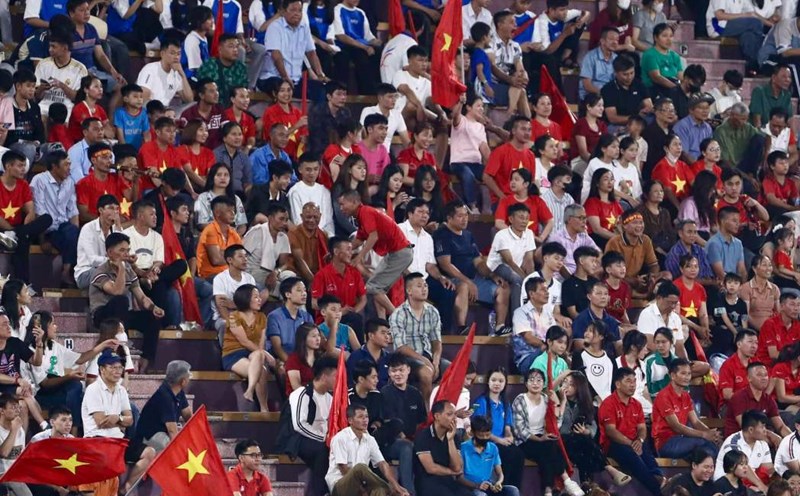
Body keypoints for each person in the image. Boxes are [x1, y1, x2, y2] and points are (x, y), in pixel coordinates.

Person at [89, 232, 165, 373]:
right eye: (121, 250)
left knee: (152, 318)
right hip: (102, 316)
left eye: (127, 250)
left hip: (122, 316)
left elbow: (141, 297)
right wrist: (122, 269)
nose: (126, 254)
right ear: (110, 253)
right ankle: (124, 345)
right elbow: (117, 291)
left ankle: (147, 361)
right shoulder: (100, 271)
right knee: (121, 300)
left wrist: (153, 307)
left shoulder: (129, 271)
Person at [511, 368, 584, 496]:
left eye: (539, 380)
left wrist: (560, 402)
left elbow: (557, 424)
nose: (535, 383)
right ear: (526, 384)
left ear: (543, 384)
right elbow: (519, 430)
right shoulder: (520, 400)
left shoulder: (546, 399)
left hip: (543, 438)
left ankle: (548, 491)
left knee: (548, 450)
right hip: (525, 440)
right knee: (549, 447)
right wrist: (540, 439)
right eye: (531, 380)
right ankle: (566, 480)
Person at [339, 189, 413, 316]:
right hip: (395, 253)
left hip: (400, 252)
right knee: (375, 288)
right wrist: (339, 252)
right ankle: (383, 322)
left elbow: (373, 237)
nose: (341, 208)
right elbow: (358, 240)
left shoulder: (366, 212)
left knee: (373, 287)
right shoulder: (361, 216)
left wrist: (359, 257)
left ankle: (398, 317)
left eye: (343, 204)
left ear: (354, 202)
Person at [81, 349, 142, 495]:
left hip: (117, 440)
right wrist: (120, 420)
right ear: (102, 369)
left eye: (120, 367)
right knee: (110, 457)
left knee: (149, 452)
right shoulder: (93, 389)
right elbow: (101, 421)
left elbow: (130, 419)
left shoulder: (121, 390)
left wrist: (118, 419)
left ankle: (125, 487)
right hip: (97, 440)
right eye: (113, 367)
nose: (118, 371)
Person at [599, 367, 664, 495]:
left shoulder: (636, 404)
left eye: (634, 381)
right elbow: (611, 431)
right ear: (617, 384)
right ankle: (659, 488)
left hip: (633, 441)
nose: (633, 385)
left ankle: (660, 478)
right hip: (613, 444)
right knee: (632, 456)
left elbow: (641, 427)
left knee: (646, 449)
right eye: (628, 381)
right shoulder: (608, 403)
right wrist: (631, 444)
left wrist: (639, 440)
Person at [326, 404, 408, 496]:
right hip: (339, 485)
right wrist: (363, 490)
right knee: (360, 468)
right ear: (350, 421)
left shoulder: (370, 439)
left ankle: (392, 489)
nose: (365, 420)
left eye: (366, 416)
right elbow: (343, 469)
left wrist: (395, 484)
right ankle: (390, 490)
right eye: (360, 417)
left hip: (363, 483)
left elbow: (382, 463)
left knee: (379, 489)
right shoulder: (340, 438)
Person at [287, 354, 338, 496]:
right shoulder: (302, 394)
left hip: (323, 438)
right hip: (299, 439)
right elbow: (299, 425)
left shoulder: (330, 398)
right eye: (335, 376)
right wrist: (323, 437)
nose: (338, 380)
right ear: (324, 376)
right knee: (323, 451)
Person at [652, 358, 721, 459]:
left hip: (683, 440)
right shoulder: (664, 396)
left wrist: (711, 434)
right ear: (672, 376)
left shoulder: (686, 396)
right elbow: (676, 426)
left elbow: (696, 422)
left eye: (689, 374)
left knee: (708, 451)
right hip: (666, 443)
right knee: (702, 443)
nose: (687, 377)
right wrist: (704, 435)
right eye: (683, 373)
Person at [0, 151, 52, 282]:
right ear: (8, 166)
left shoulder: (23, 185)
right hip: (2, 229)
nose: (24, 169)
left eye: (24, 166)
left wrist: (18, 232)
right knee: (23, 242)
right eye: (20, 166)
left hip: (18, 229)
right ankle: (24, 284)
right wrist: (10, 231)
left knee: (46, 219)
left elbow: (30, 211)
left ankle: (17, 236)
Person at [30, 151, 79, 287]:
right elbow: (37, 210)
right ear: (54, 166)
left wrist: (78, 233)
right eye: (66, 165)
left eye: (70, 164)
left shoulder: (69, 182)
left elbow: (73, 211)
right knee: (70, 235)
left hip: (64, 228)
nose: (69, 168)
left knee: (74, 233)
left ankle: (67, 270)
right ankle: (66, 272)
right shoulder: (39, 180)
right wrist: (42, 240)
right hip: (46, 229)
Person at [223, 285, 275, 411]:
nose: (259, 300)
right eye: (255, 297)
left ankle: (250, 392)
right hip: (234, 354)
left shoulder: (262, 317)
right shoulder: (234, 316)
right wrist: (266, 354)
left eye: (259, 297)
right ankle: (263, 407)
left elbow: (261, 344)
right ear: (246, 299)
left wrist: (262, 353)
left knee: (259, 356)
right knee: (261, 370)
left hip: (254, 353)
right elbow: (244, 341)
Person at [129, 359, 192, 461]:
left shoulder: (178, 391)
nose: (190, 379)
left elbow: (188, 416)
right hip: (148, 437)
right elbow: (172, 431)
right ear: (183, 381)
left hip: (163, 432)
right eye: (189, 376)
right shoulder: (165, 396)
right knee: (171, 446)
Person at [413, 400, 473, 496]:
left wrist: (450, 440)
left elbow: (457, 467)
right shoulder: (423, 435)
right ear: (437, 416)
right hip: (428, 481)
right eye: (449, 414)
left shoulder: (455, 436)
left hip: (447, 480)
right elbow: (431, 468)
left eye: (454, 414)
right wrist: (452, 472)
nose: (454, 418)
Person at [725, 362, 790, 442]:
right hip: (739, 442)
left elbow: (780, 426)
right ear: (749, 378)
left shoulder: (768, 399)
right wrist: (770, 435)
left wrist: (793, 441)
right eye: (759, 375)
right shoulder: (739, 397)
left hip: (760, 439)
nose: (764, 378)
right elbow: (747, 427)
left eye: (766, 375)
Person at [458, 415, 520, 496]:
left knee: (512, 490)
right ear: (472, 433)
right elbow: (459, 478)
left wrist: (498, 482)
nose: (484, 438)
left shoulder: (493, 448)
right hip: (470, 488)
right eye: (481, 435)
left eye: (487, 435)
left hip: (488, 487)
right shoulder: (463, 448)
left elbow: (500, 474)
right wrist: (477, 485)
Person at [714, 410, 774, 491]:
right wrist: (762, 487)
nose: (765, 430)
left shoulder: (763, 444)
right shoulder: (733, 442)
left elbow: (768, 469)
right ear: (751, 430)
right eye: (762, 427)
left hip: (746, 483)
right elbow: (740, 468)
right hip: (727, 485)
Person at [34, 29, 87, 119]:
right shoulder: (43, 64)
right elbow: (37, 96)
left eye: (53, 47)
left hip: (66, 109)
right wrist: (42, 88)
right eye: (50, 46)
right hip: (45, 107)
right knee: (41, 118)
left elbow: (77, 98)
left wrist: (62, 86)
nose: (50, 50)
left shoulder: (80, 69)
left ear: (65, 48)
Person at [242, 204, 291, 293]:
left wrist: (276, 272)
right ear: (271, 218)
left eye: (286, 220)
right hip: (252, 271)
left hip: (272, 271)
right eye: (281, 219)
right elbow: (241, 254)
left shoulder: (283, 237)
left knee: (291, 278)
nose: (284, 223)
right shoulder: (257, 231)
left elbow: (284, 264)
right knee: (286, 289)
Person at [211, 244, 257, 336]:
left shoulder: (250, 279)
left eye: (246, 256)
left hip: (245, 317)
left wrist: (234, 304)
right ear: (230, 260)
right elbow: (222, 307)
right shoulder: (220, 279)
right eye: (240, 256)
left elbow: (253, 305)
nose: (245, 259)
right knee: (225, 325)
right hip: (224, 318)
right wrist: (235, 325)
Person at [267, 277, 313, 366]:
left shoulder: (307, 316)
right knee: (282, 370)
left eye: (304, 290)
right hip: (282, 358)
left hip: (302, 357)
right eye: (299, 290)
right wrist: (292, 364)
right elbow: (277, 347)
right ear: (288, 294)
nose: (304, 294)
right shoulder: (274, 316)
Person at [135, 38, 193, 106]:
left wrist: (183, 75)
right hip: (151, 111)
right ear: (162, 54)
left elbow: (189, 99)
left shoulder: (177, 73)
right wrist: (161, 111)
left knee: (192, 105)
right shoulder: (150, 69)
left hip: (166, 111)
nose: (176, 57)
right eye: (172, 53)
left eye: (178, 54)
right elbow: (144, 98)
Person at [197, 196, 243, 280]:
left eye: (233, 211)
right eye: (229, 211)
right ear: (217, 213)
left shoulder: (234, 234)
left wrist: (223, 253)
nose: (233, 213)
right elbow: (216, 260)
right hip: (210, 276)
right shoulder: (210, 230)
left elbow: (241, 258)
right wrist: (233, 256)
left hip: (230, 275)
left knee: (257, 288)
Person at [601, 54, 653, 129]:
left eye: (632, 73)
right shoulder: (608, 89)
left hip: (638, 122)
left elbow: (649, 105)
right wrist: (634, 118)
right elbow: (612, 118)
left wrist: (647, 110)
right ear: (615, 73)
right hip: (617, 125)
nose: (629, 77)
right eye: (625, 74)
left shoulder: (639, 84)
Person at [194, 34, 247, 105]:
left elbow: (243, 91)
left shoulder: (241, 67)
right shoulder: (209, 66)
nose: (235, 50)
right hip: (212, 109)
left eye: (237, 46)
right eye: (231, 46)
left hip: (233, 110)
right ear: (220, 49)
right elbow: (202, 93)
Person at [194, 163, 247, 235]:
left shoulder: (236, 199)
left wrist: (235, 236)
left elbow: (242, 224)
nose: (223, 178)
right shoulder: (203, 197)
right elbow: (202, 224)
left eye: (226, 175)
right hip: (211, 236)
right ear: (212, 177)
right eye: (219, 175)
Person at [549, 204, 600, 276]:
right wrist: (574, 280)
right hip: (562, 280)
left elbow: (599, 254)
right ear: (569, 219)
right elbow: (559, 266)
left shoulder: (584, 237)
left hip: (582, 277)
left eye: (585, 218)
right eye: (581, 218)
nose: (584, 221)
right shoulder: (556, 238)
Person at [640, 23, 683, 100]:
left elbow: (680, 76)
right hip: (654, 91)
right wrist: (677, 89)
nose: (668, 39)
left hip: (673, 89)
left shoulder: (675, 56)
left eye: (671, 36)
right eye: (664, 36)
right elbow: (656, 77)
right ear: (655, 38)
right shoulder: (650, 54)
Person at [739, 255, 781, 331]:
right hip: (754, 329)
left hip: (772, 327)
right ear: (754, 269)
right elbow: (746, 315)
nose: (768, 268)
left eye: (770, 265)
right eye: (764, 265)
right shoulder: (746, 288)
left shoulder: (775, 288)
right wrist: (763, 329)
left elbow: (778, 312)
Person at [707, 207, 748, 283]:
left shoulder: (738, 243)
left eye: (738, 221)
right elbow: (720, 274)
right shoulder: (714, 243)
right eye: (734, 221)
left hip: (735, 285)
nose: (738, 224)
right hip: (719, 286)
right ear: (723, 221)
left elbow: (742, 271)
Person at [718, 329, 759, 405]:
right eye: (750, 342)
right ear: (739, 344)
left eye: (756, 343)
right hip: (731, 406)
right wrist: (749, 399)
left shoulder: (757, 362)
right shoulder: (728, 365)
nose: (754, 346)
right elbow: (727, 395)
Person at [579, 27, 618, 102]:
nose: (615, 42)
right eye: (611, 39)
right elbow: (587, 85)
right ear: (602, 41)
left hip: (609, 95)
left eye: (617, 40)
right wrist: (605, 94)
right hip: (592, 95)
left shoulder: (616, 58)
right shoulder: (590, 57)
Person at [674, 94, 714, 164]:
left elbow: (710, 150)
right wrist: (698, 168)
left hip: (704, 165)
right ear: (691, 110)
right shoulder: (682, 126)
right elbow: (683, 154)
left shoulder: (708, 128)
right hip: (687, 166)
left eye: (707, 108)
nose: (705, 111)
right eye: (701, 108)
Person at [214, 122, 252, 196]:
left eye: (240, 134)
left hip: (240, 195)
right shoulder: (216, 154)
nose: (237, 137)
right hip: (220, 194)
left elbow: (247, 181)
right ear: (224, 138)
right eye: (234, 134)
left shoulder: (244, 157)